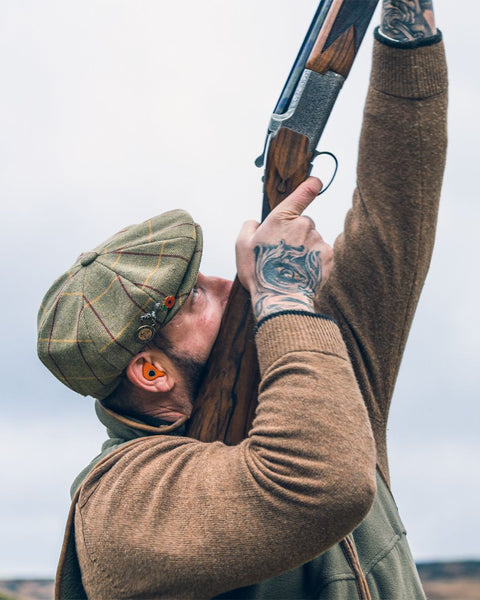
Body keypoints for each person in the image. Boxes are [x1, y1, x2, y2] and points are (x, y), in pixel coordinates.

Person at [38, 0, 448, 598]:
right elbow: (321, 480)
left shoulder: (310, 372)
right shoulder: (120, 507)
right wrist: (282, 294)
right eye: (196, 298)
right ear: (151, 372)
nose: (234, 284)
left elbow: (397, 213)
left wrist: (407, 31)